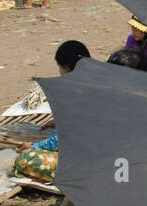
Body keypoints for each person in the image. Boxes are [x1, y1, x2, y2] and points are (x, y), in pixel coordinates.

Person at [12, 41, 91, 181]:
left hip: (87, 164)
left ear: (66, 67)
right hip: (112, 156)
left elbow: (59, 143)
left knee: (25, 159)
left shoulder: (73, 93)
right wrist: (58, 122)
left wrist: (32, 147)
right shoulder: (96, 81)